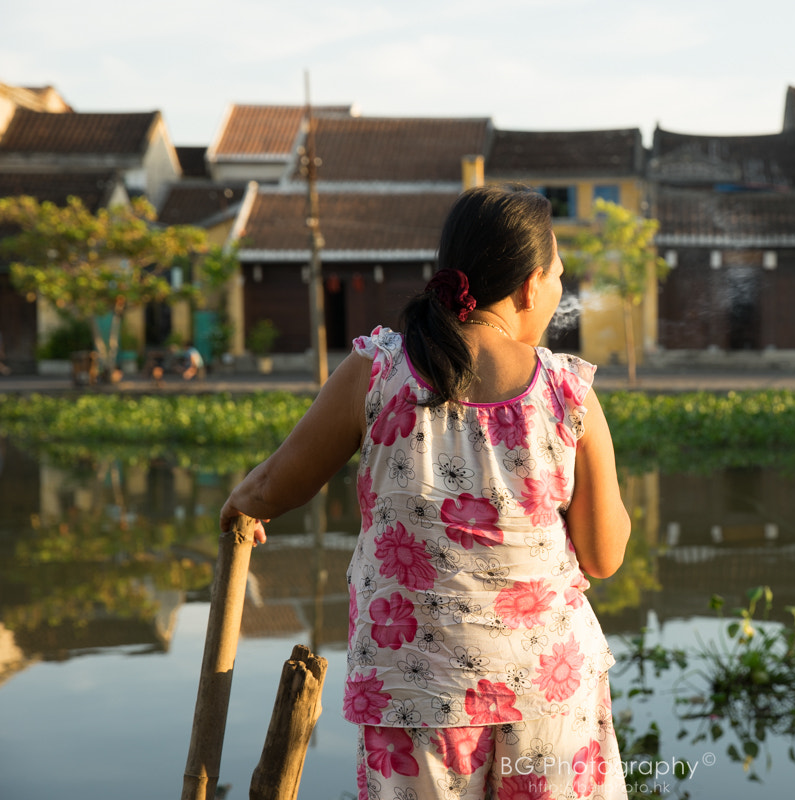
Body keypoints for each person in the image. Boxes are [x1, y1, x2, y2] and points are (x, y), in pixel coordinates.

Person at [220, 185, 631, 800]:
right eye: (558, 280)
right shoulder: (567, 392)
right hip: (548, 689)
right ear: (528, 285)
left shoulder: (378, 371)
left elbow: (278, 482)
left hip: (414, 693)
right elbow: (604, 555)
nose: (557, 295)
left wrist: (240, 505)